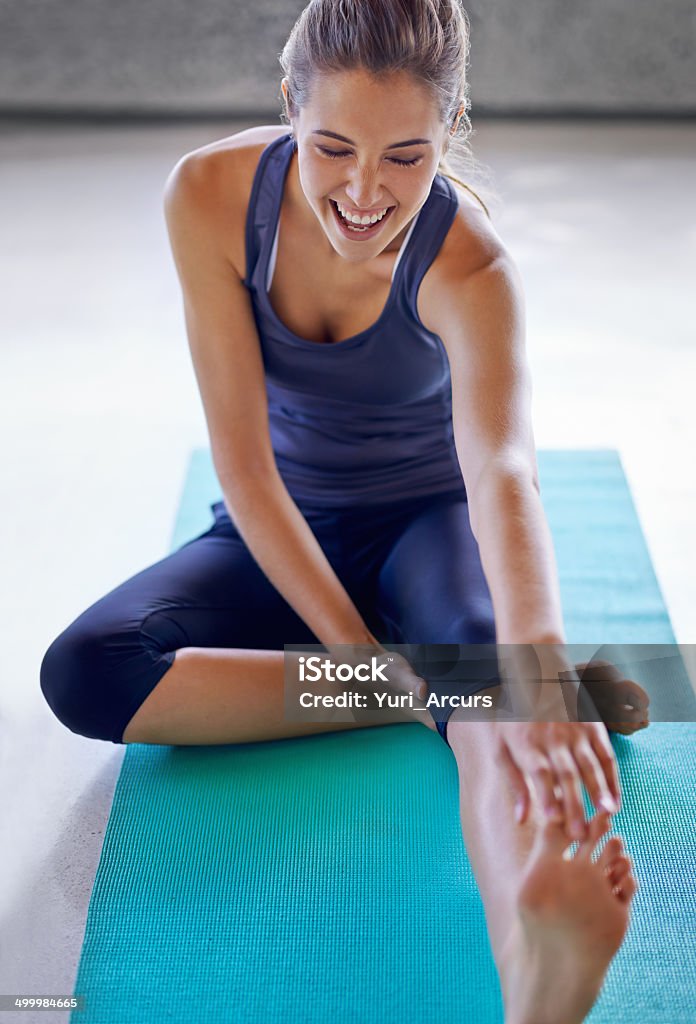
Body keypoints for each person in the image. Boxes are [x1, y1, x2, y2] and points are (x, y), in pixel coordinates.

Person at [40, 2, 651, 1020]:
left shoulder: (471, 265)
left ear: (451, 128)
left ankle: (535, 956)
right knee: (84, 669)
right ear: (289, 107)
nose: (364, 192)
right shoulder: (208, 195)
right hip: (276, 521)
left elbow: (502, 468)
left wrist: (534, 649)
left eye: (407, 156)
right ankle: (442, 683)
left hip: (429, 526)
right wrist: (375, 666)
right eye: (331, 146)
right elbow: (244, 467)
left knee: (495, 706)